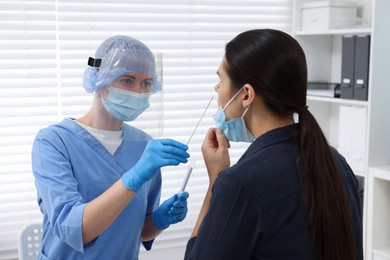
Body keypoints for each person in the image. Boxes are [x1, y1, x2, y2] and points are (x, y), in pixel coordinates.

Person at [184, 29, 363, 260]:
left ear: (246, 94)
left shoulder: (239, 183)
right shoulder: (335, 161)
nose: (217, 89)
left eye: (221, 80)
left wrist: (216, 179)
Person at [31, 35, 190, 259]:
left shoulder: (145, 145)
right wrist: (133, 177)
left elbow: (141, 231)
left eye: (146, 83)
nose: (137, 91)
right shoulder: (53, 142)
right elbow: (76, 230)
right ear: (100, 78)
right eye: (127, 80)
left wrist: (159, 220)